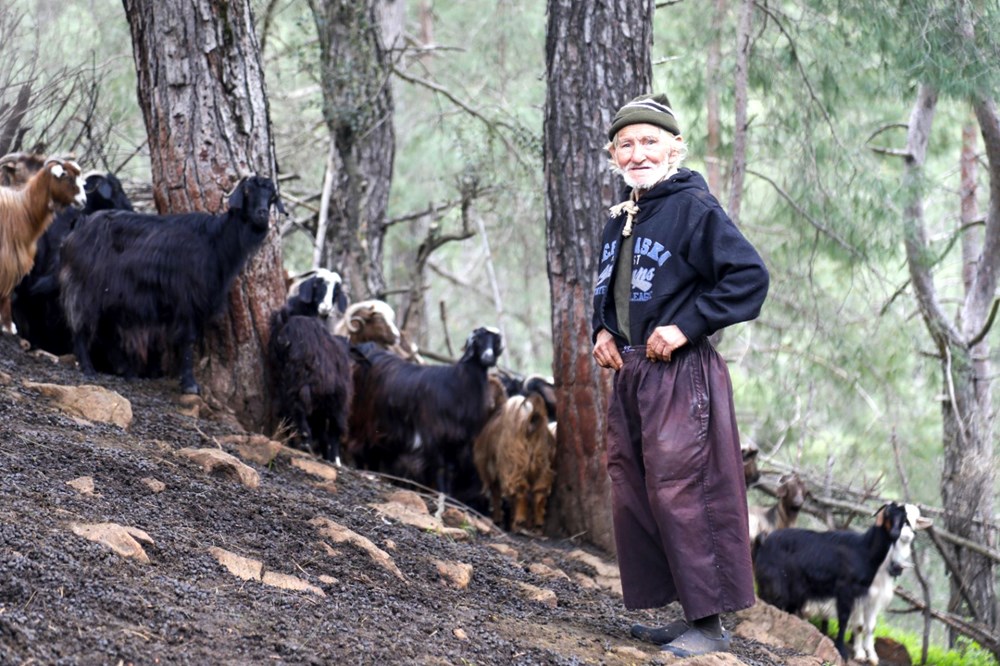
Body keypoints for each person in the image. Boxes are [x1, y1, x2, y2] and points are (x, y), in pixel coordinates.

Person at [591, 93, 769, 657]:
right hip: (634, 373)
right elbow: (612, 293)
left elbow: (748, 277)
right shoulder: (624, 214)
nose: (638, 153)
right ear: (613, 153)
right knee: (638, 492)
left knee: (686, 493)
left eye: (649, 142)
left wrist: (686, 325)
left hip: (680, 374)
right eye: (627, 144)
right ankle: (689, 614)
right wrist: (601, 332)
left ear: (674, 146)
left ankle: (711, 626)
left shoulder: (694, 208)